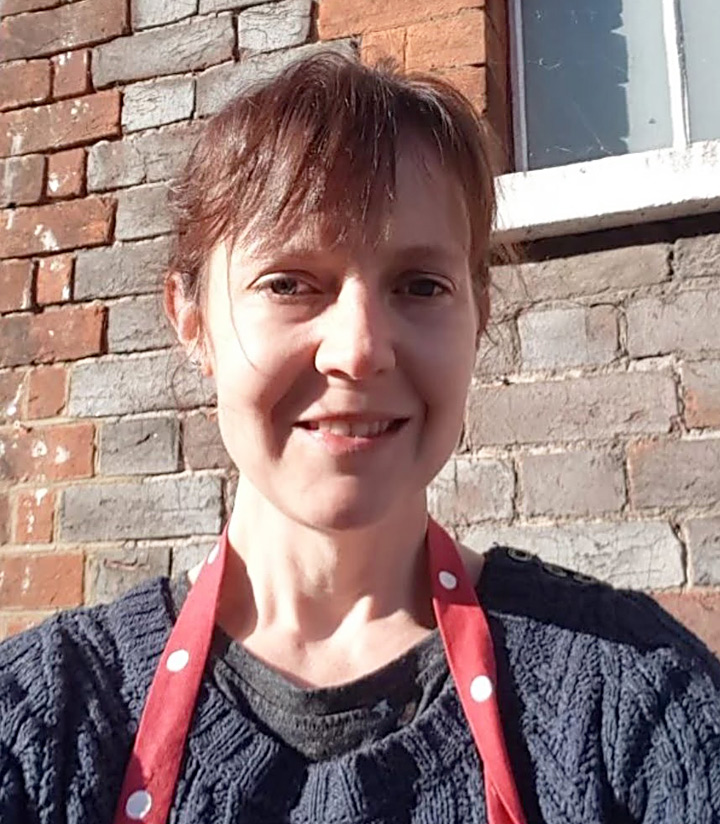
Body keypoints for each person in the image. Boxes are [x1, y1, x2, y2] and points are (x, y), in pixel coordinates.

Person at [0, 53, 719, 824]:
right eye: (289, 283)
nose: (360, 349)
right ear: (192, 320)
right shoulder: (45, 719)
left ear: (479, 314)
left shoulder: (634, 695)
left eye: (420, 286)